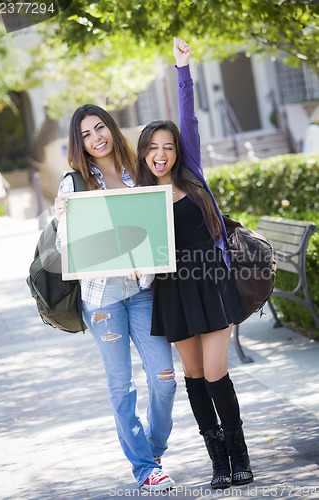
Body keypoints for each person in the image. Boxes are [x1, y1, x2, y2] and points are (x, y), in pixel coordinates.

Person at [135, 37, 254, 490]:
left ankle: (240, 453)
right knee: (194, 377)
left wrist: (182, 70)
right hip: (173, 290)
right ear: (144, 153)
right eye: (153, 148)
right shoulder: (142, 196)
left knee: (216, 373)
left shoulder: (191, 172)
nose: (161, 153)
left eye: (167, 145)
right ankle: (218, 460)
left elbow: (189, 117)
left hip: (211, 281)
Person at [54, 105, 176, 492]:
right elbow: (67, 247)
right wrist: (61, 219)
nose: (96, 138)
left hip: (140, 294)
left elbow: (153, 235)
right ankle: (144, 469)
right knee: (122, 385)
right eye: (86, 134)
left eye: (100, 128)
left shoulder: (137, 174)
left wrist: (147, 263)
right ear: (80, 143)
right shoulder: (73, 183)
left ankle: (152, 450)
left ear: (112, 129)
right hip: (102, 300)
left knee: (166, 380)